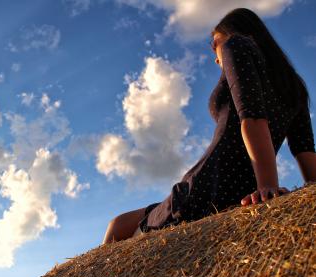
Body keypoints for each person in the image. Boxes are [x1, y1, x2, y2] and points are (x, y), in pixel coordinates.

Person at [102, 7, 316, 244]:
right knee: (119, 223)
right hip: (222, 188)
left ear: (238, 33)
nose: (215, 56)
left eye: (215, 43)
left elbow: (252, 118)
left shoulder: (236, 44)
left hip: (205, 191)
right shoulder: (295, 87)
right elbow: (307, 155)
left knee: (118, 227)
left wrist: (267, 187)